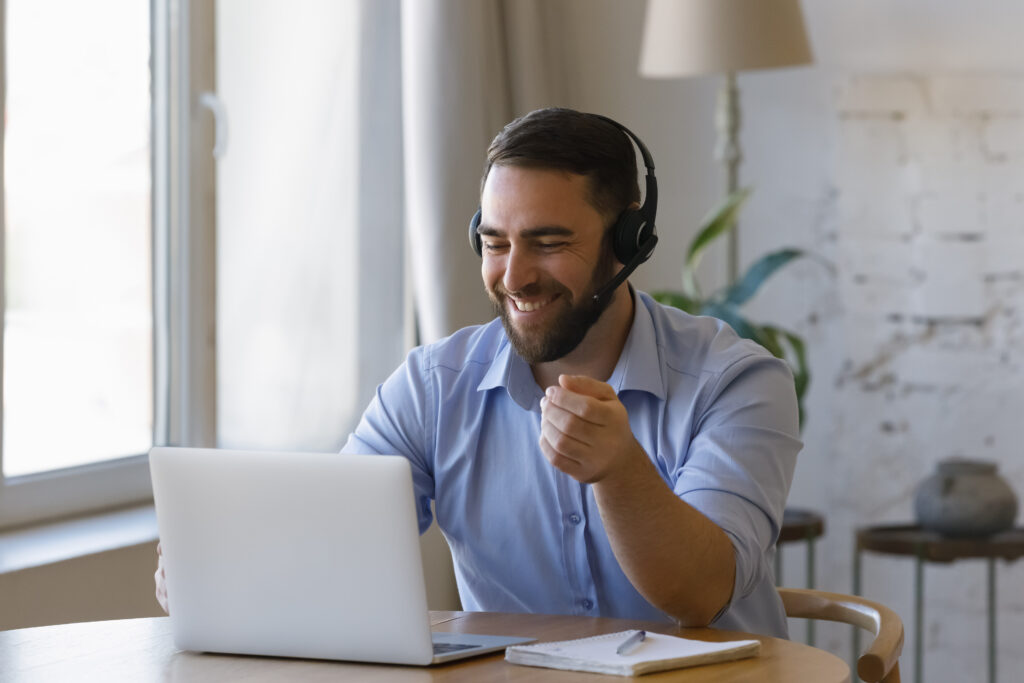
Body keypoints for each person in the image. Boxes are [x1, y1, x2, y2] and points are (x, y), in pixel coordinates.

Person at [157, 107, 800, 638]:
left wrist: (621, 470)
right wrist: (220, 572)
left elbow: (700, 594)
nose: (514, 277)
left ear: (627, 239)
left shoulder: (735, 384)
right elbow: (332, 550)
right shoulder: (434, 387)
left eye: (548, 243)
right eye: (495, 243)